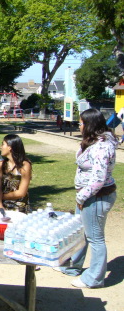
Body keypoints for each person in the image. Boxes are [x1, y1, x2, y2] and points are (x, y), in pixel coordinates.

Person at [55, 109, 117, 289]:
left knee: (95, 237)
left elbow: (98, 179)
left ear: (90, 124)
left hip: (96, 197)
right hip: (87, 196)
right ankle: (74, 267)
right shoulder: (93, 142)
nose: (79, 125)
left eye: (81, 122)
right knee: (81, 233)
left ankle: (94, 278)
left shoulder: (103, 146)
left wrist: (81, 197)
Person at [0, 134, 32, 268]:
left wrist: (1, 197)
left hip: (19, 202)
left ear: (10, 147)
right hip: (2, 200)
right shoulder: (1, 164)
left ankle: (27, 256)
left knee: (17, 224)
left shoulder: (25, 165)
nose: (0, 147)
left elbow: (21, 192)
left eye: (3, 144)